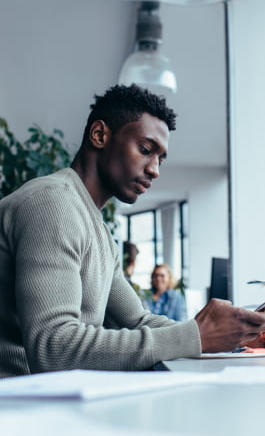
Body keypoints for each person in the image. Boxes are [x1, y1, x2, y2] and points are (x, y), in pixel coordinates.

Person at [0, 84, 265, 378]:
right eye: (146, 150)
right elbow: (54, 348)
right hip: (16, 407)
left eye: (160, 159)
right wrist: (195, 336)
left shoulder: (98, 233)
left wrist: (241, 328)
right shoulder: (53, 203)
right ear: (100, 135)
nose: (155, 170)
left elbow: (138, 321)